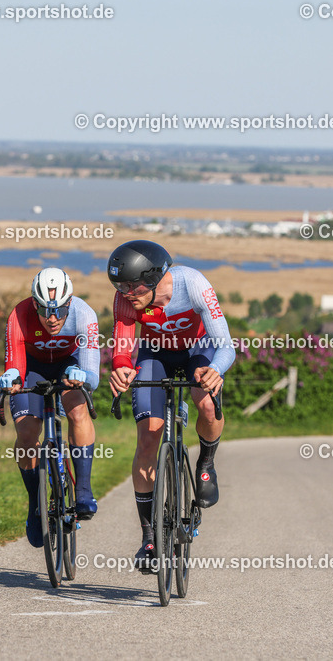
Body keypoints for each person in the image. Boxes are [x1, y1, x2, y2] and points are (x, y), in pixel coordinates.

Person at [107, 240, 234, 571]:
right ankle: (149, 536)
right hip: (155, 354)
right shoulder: (126, 300)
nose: (125, 292)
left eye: (131, 285)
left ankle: (206, 463)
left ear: (153, 277)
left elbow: (225, 345)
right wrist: (120, 366)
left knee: (206, 403)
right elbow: (122, 348)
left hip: (199, 349)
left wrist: (215, 370)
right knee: (149, 436)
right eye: (120, 285)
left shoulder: (193, 285)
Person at [0, 267, 100, 548]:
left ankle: (82, 489)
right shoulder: (19, 315)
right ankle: (35, 504)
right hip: (33, 367)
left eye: (58, 310)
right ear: (34, 304)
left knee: (77, 411)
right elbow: (16, 364)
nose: (51, 318)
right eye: (43, 310)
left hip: (70, 364)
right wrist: (12, 376)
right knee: (27, 434)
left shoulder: (84, 314)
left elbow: (93, 373)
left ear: (70, 303)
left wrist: (84, 378)